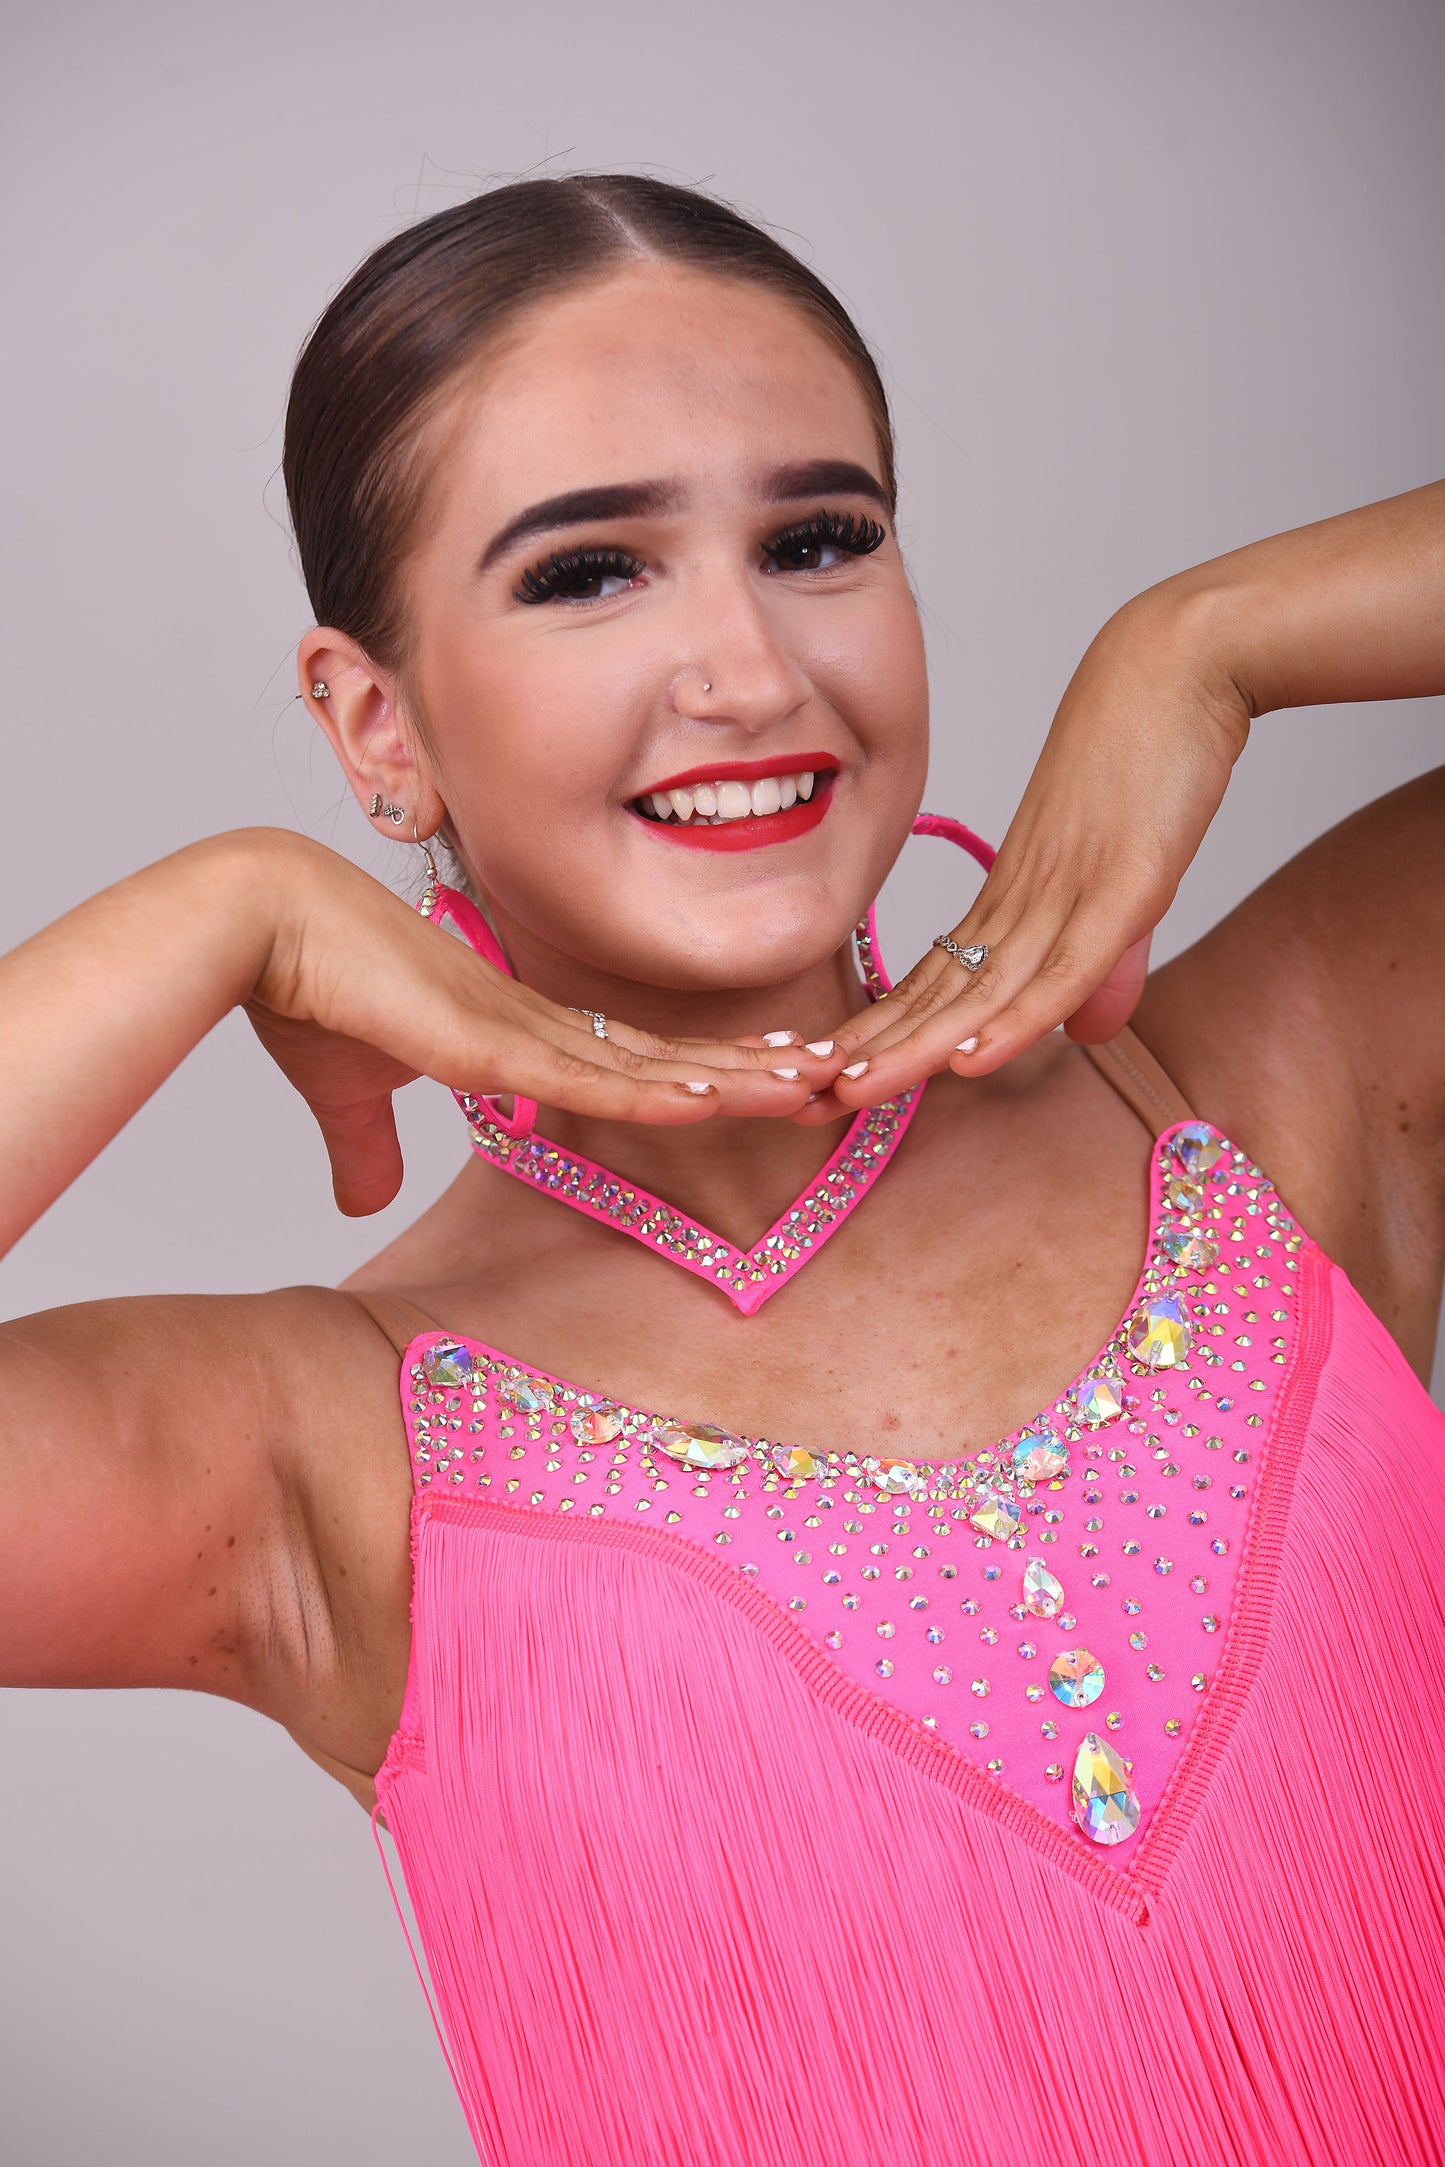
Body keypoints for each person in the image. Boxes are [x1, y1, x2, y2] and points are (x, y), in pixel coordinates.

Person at [2, 175, 1442, 2167]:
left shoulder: (1263, 1090)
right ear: (374, 723)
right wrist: (219, 911)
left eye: (821, 539)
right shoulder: (320, 1447)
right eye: (591, 572)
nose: (751, 671)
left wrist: (1214, 637)